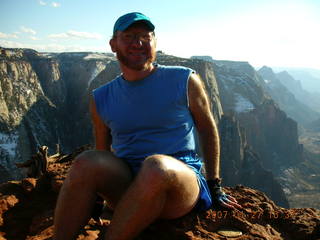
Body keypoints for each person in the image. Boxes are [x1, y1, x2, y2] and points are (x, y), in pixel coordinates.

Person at [53, 12, 241, 240]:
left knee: (155, 167)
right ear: (113, 44)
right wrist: (97, 197)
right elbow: (102, 152)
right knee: (86, 161)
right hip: (127, 184)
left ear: (155, 42)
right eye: (129, 36)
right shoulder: (101, 97)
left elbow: (207, 128)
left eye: (145, 36)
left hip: (178, 184)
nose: (138, 42)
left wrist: (214, 183)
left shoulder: (185, 79)